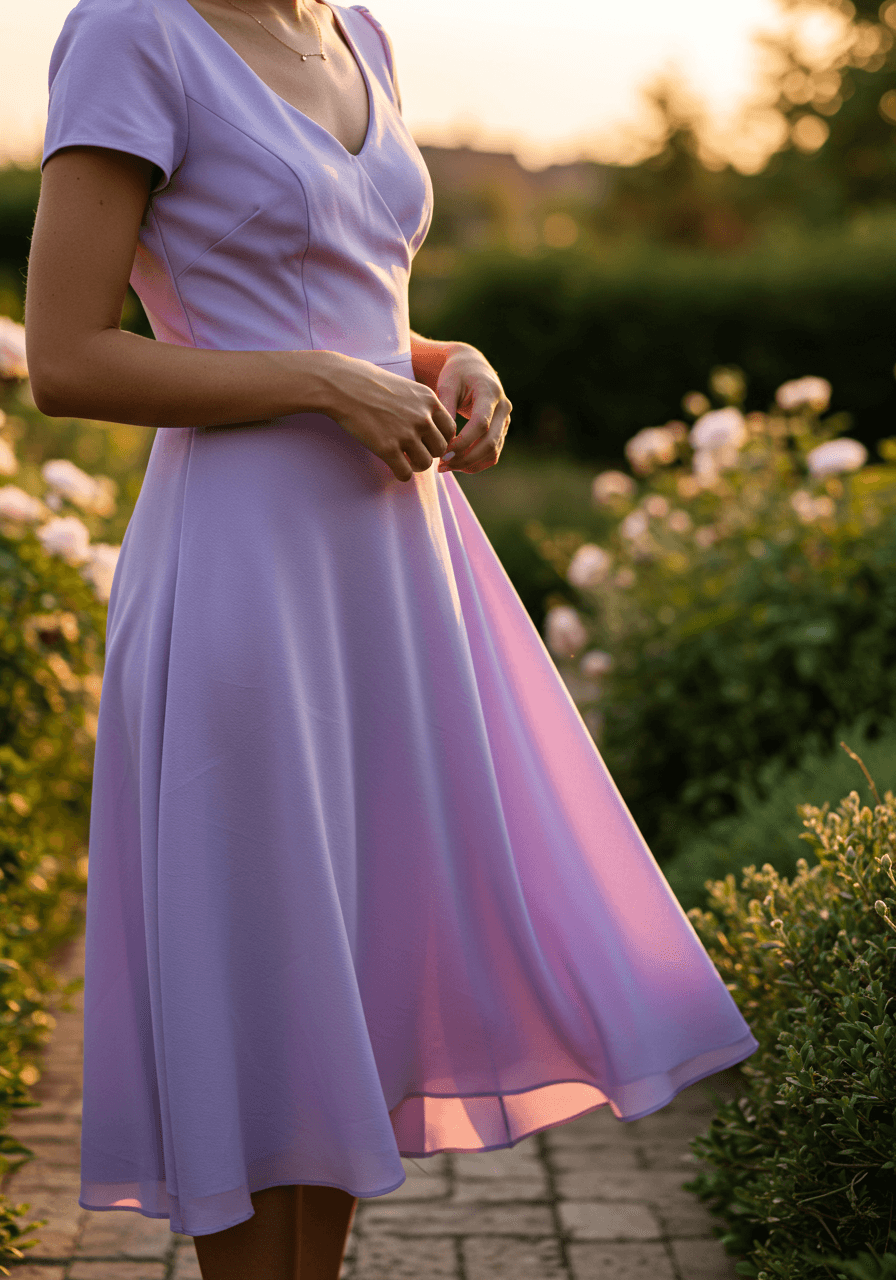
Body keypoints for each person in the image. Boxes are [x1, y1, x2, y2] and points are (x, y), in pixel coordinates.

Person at [25, 2, 760, 1277]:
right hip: (247, 575)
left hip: (395, 571)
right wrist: (322, 379)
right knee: (267, 978)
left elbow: (354, 299)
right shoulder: (133, 30)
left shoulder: (356, 26)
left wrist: (441, 355)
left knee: (344, 985)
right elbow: (67, 358)